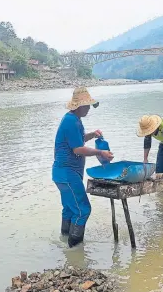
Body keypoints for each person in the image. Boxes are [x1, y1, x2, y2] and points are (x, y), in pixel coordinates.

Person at [52, 87, 114, 248]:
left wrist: (92, 134)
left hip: (62, 174)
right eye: (87, 106)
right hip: (67, 173)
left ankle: (65, 243)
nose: (88, 109)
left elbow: (78, 141)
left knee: (70, 210)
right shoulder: (71, 121)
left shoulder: (72, 119)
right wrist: (100, 151)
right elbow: (77, 149)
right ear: (79, 106)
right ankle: (76, 249)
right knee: (83, 210)